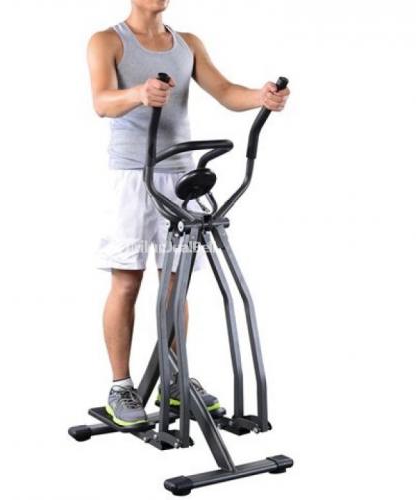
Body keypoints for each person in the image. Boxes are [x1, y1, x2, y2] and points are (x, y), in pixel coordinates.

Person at [87, 0, 290, 426]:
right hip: (133, 175)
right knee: (127, 281)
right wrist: (139, 93)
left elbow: (225, 91)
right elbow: (102, 102)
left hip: (181, 175)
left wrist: (261, 97)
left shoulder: (188, 44)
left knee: (175, 285)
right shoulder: (107, 41)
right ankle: (121, 386)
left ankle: (175, 381)